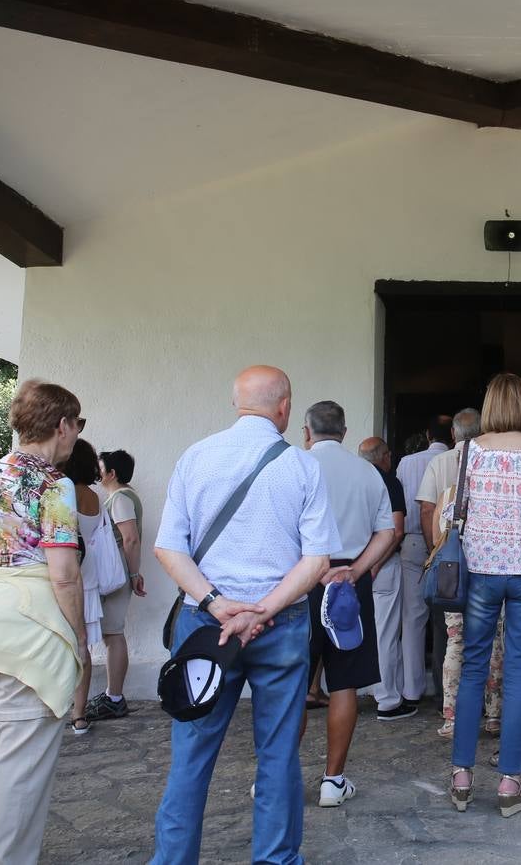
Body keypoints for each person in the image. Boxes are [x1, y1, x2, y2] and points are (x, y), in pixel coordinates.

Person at [151, 366, 337, 865]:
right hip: (281, 625)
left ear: (237, 404)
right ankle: (276, 860)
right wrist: (262, 612)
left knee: (190, 755)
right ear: (285, 407)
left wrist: (215, 603)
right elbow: (318, 560)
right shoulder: (302, 466)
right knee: (277, 755)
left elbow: (168, 547)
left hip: (204, 626)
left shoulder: (196, 457)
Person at [0, 380, 88, 864]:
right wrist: (80, 641)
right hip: (20, 627)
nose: (77, 434)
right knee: (20, 760)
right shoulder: (53, 483)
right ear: (62, 425)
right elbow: (64, 575)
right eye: (78, 424)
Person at [448, 374, 521, 818]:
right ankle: (510, 783)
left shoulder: (471, 451)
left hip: (481, 568)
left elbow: (460, 507)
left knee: (474, 666)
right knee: (518, 671)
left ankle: (461, 777)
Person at [300, 401, 395, 807]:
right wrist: (355, 571)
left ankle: (276, 775)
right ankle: (332, 781)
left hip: (299, 583)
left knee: (292, 684)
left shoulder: (294, 466)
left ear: (307, 432)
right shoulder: (368, 471)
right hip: (347, 585)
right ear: (343, 430)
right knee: (344, 682)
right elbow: (387, 533)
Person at [416, 408, 504, 738]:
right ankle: (493, 715)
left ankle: (451, 717)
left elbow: (436, 528)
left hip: (454, 575)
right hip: (489, 573)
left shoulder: (447, 492)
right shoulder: (495, 482)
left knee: (456, 644)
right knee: (493, 644)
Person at [383, 414, 451, 715]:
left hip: (411, 541)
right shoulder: (457, 459)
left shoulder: (407, 462)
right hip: (450, 544)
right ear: (451, 435)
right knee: (451, 617)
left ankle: (411, 690)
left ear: (426, 434)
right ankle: (448, 686)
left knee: (412, 618)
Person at [85, 448, 145, 721]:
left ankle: (115, 696)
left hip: (116, 572)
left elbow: (130, 538)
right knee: (112, 633)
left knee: (113, 634)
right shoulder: (122, 497)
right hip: (119, 571)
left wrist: (133, 574)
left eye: (100, 468)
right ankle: (113, 694)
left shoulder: (120, 499)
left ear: (111, 473)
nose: (97, 472)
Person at [357, 437, 407, 714]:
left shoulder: (352, 480)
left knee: (361, 632)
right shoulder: (388, 481)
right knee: (386, 634)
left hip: (353, 567)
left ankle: (361, 689)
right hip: (382, 566)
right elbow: (397, 530)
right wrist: (375, 565)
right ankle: (388, 700)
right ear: (384, 456)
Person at [61, 438, 106, 736]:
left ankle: (58, 707)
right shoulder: (93, 496)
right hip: (88, 575)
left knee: (60, 644)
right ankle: (79, 713)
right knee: (83, 647)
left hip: (66, 573)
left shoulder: (64, 492)